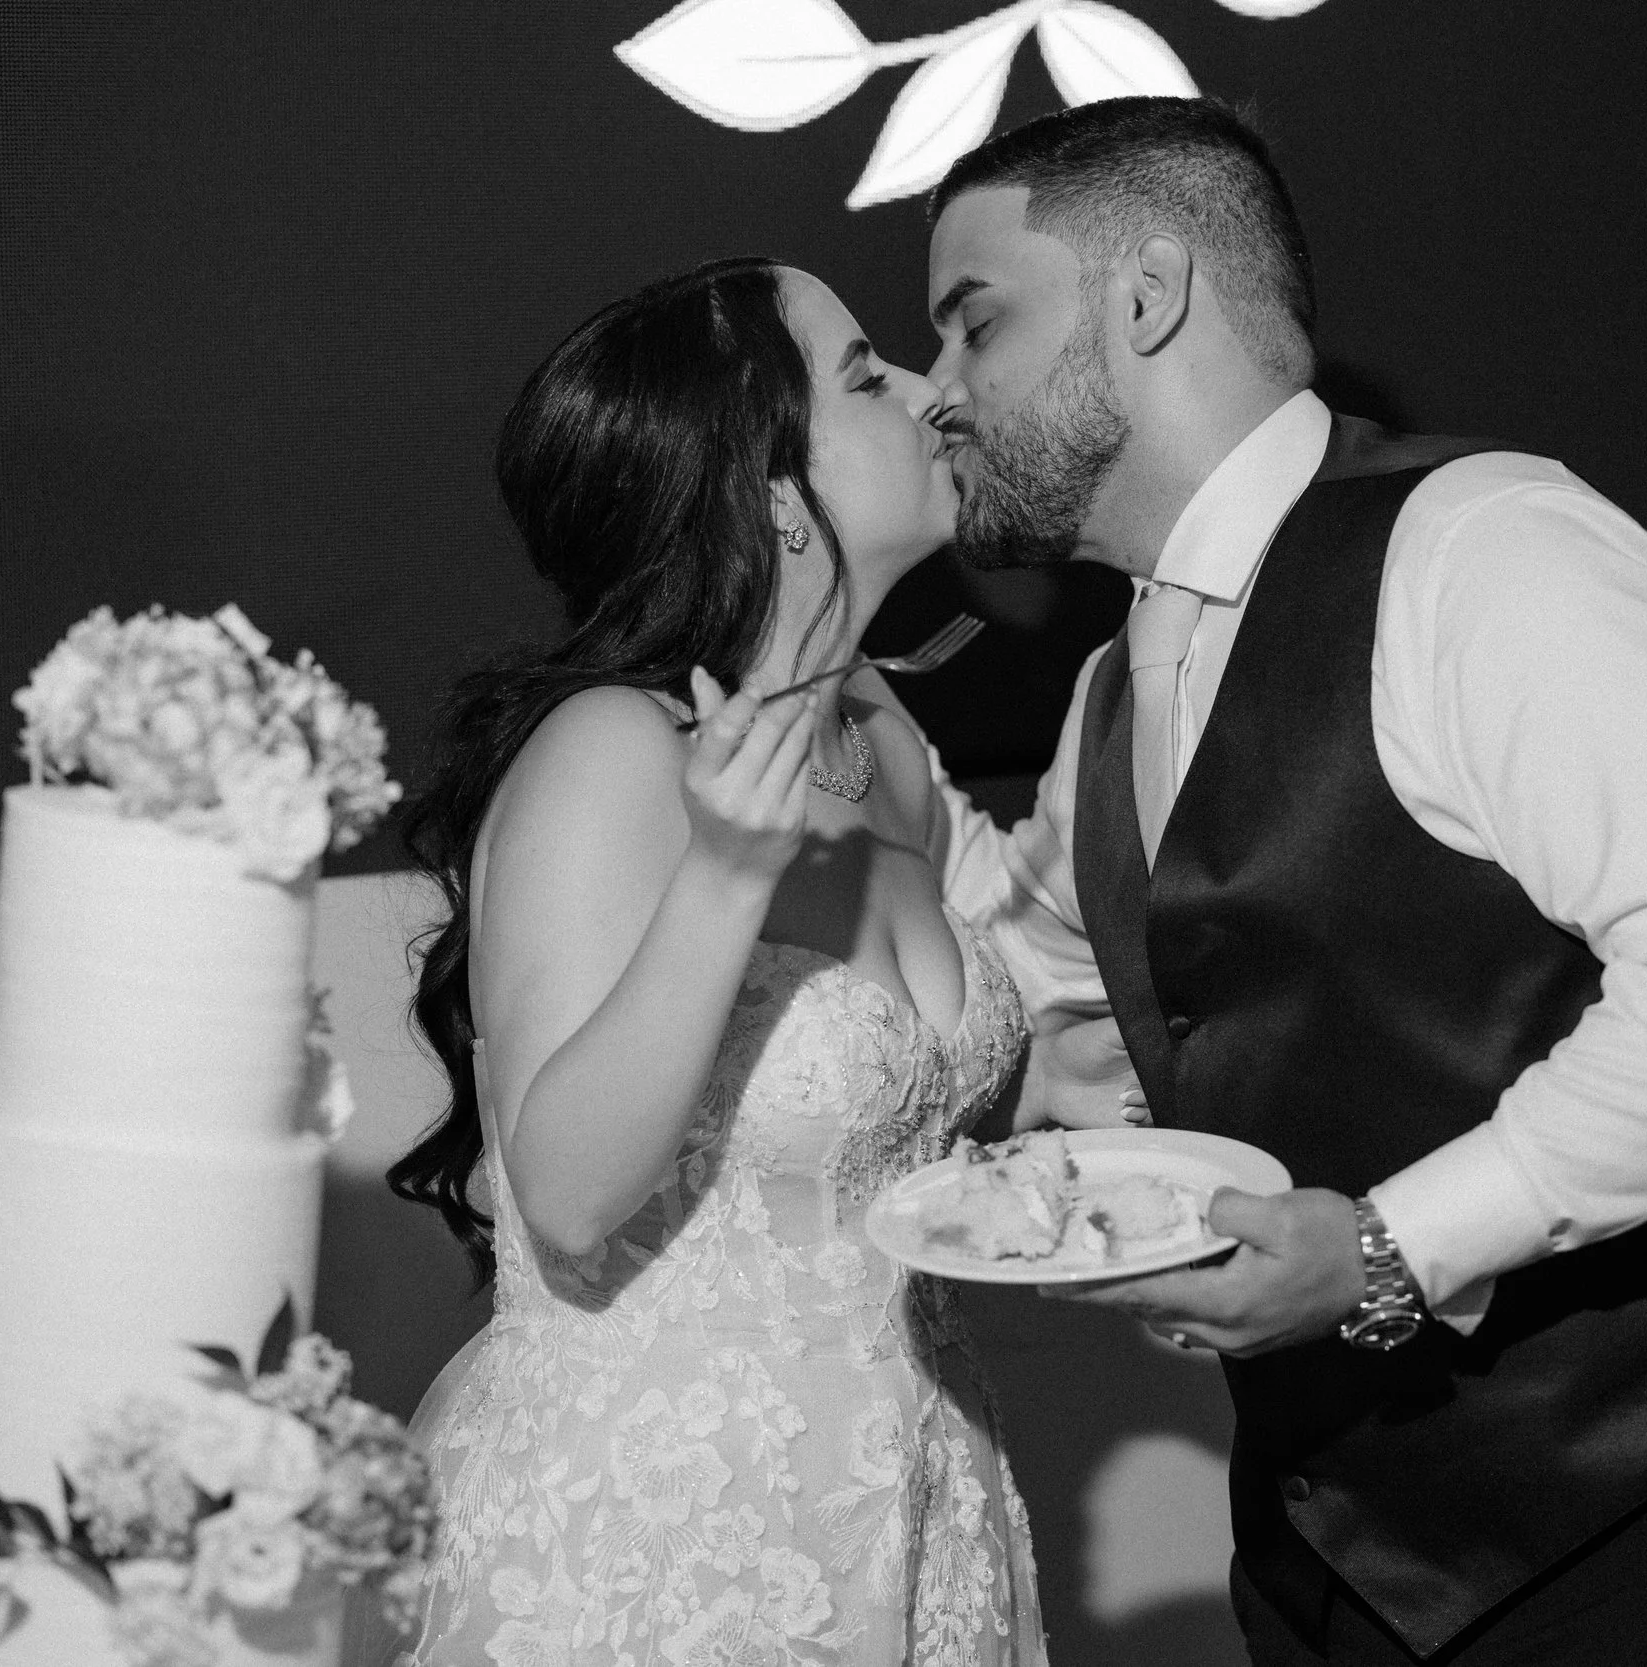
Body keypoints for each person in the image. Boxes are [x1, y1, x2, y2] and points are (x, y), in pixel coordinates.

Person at [926, 99, 1647, 1665]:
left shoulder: (1488, 547)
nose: (939, 388)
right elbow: (1058, 1013)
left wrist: (1387, 1245)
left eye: (974, 321)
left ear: (1147, 293)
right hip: (1336, 1564)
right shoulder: (1113, 692)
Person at [378, 257, 1110, 1665]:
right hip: (667, 1534)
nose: (928, 391)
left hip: (911, 1501)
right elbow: (567, 1196)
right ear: (772, 492)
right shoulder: (610, 750)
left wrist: (1068, 1110)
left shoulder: (881, 739)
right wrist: (723, 878)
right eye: (866, 377)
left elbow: (869, 1118)